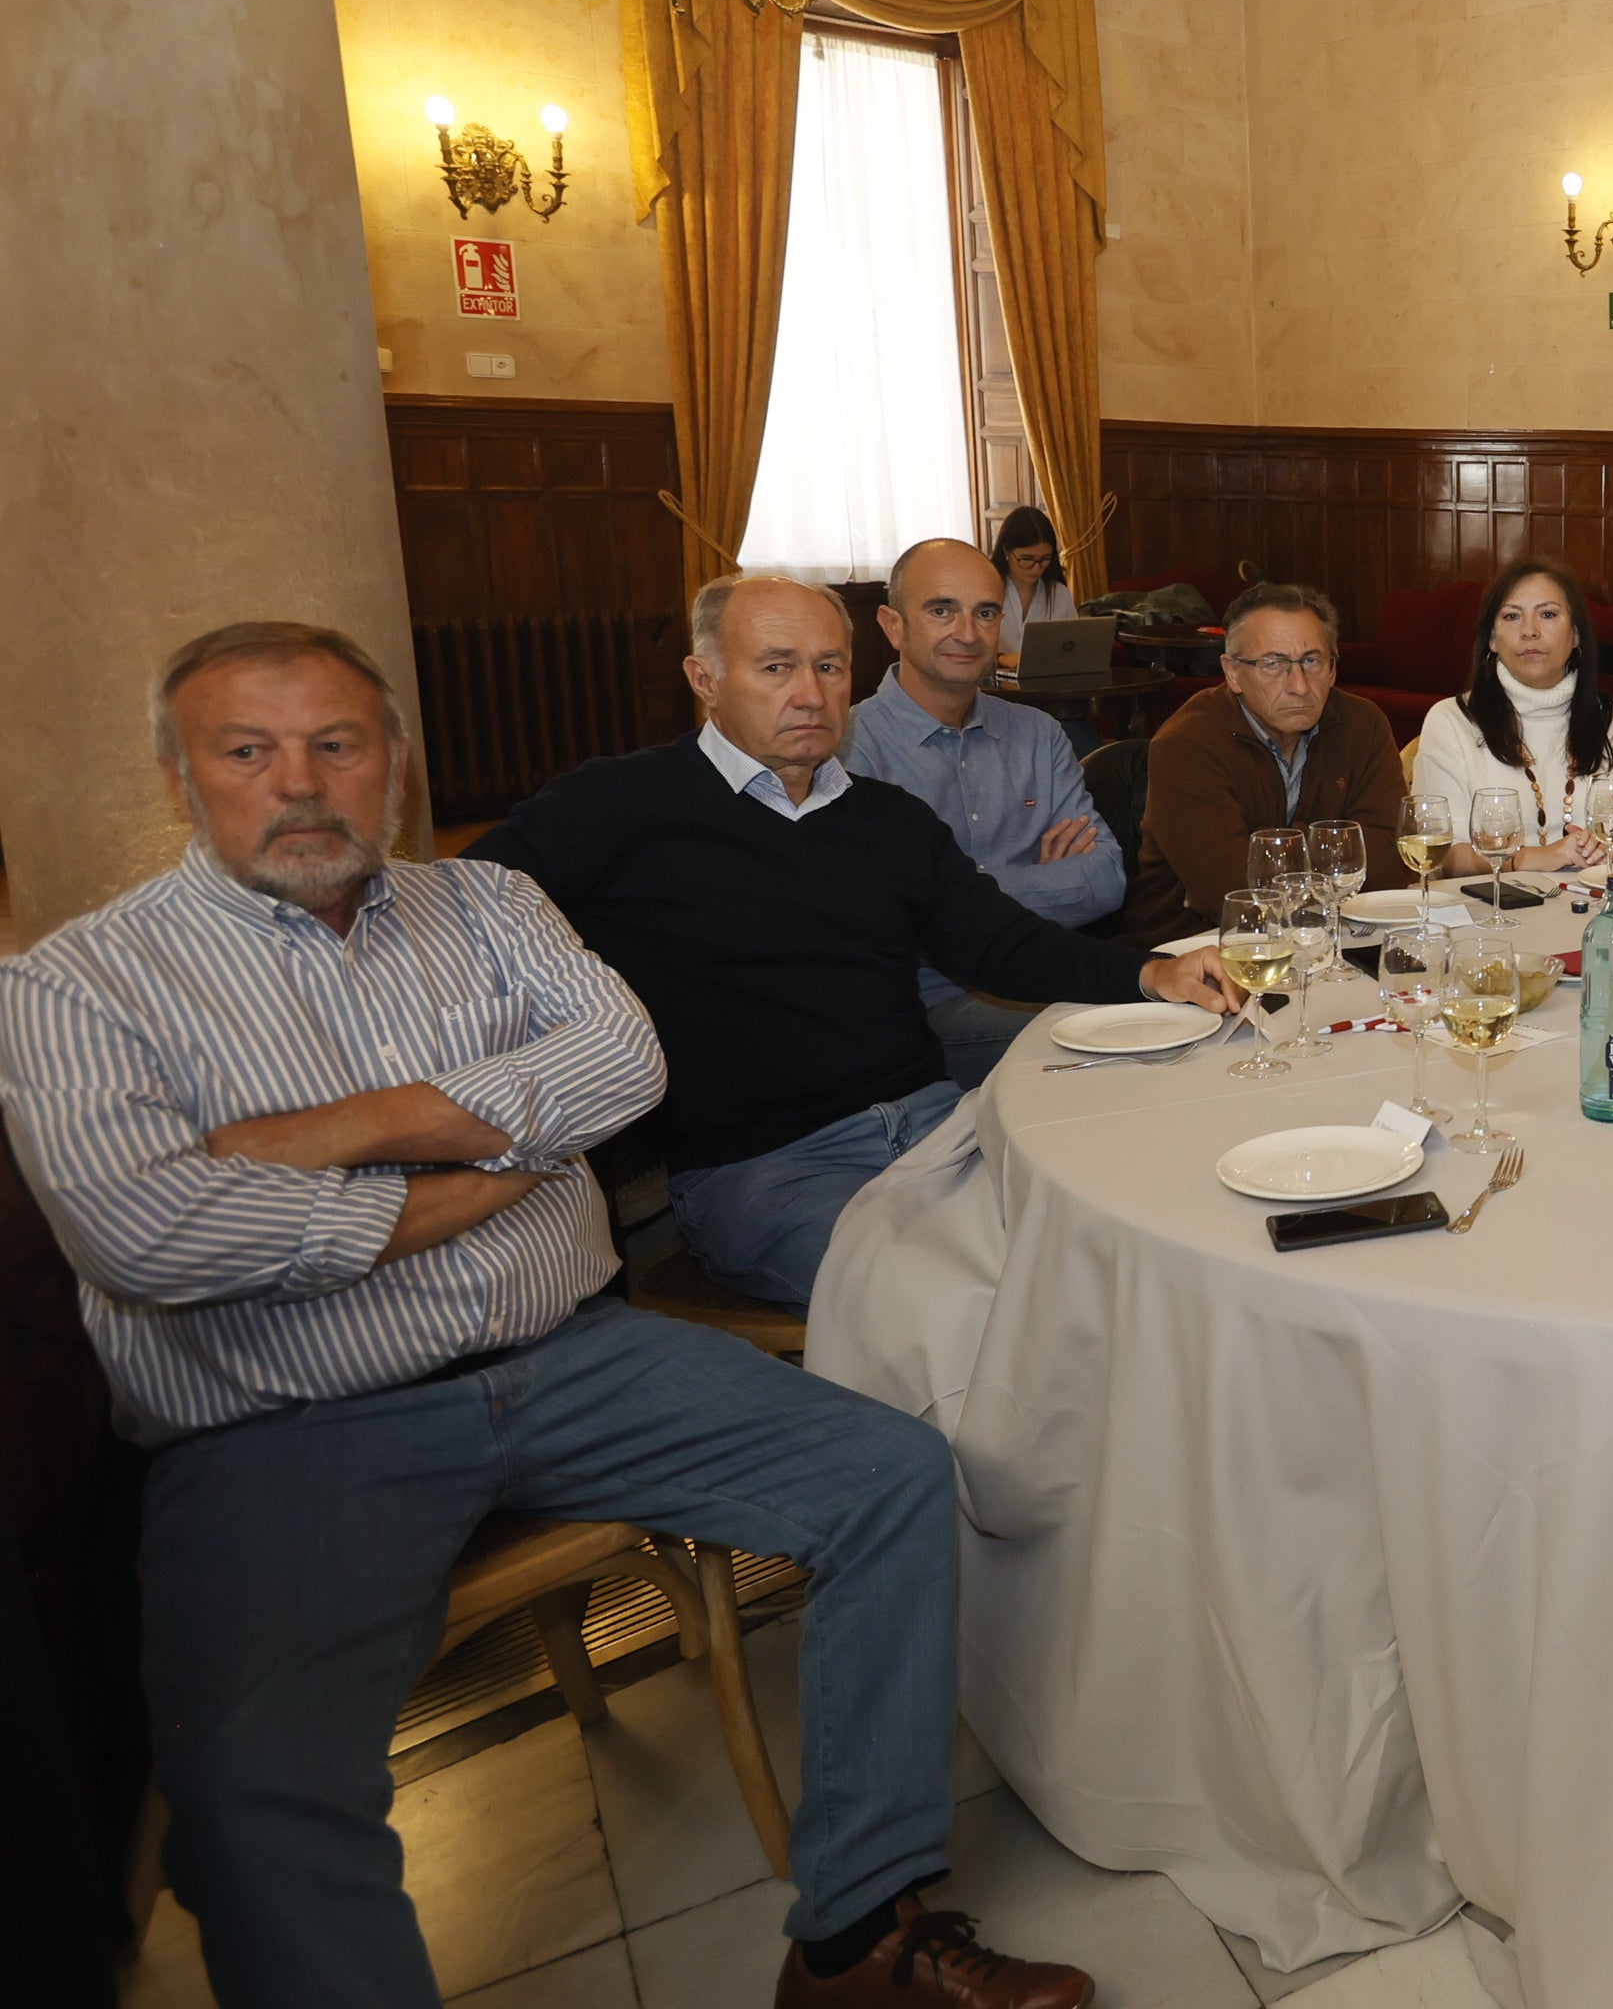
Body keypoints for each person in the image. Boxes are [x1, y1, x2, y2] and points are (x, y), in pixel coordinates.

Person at [0, 621, 1096, 2009]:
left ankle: (860, 1938)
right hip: (287, 1421)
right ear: (179, 776)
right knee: (253, 1789)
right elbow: (151, 1233)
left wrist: (345, 1134)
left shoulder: (490, 904)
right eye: (247, 751)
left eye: (337, 744)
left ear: (396, 764)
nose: (301, 783)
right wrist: (494, 1166)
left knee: (890, 1472)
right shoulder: (77, 985)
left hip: (574, 1356)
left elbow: (624, 1064)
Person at [471, 572, 1234, 1309]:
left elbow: (1003, 944)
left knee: (1123, 1243)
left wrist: (1152, 974)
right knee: (970, 1302)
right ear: (705, 680)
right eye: (777, 667)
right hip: (769, 1169)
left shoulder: (890, 819)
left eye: (830, 667)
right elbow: (459, 913)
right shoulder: (619, 805)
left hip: (941, 1129)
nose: (811, 694)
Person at [845, 539, 1127, 1091]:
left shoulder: (1038, 733)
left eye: (986, 613)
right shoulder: (850, 750)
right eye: (941, 610)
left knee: (1174, 1007)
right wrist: (1039, 882)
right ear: (893, 626)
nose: (967, 633)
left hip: (1050, 971)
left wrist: (953, 895)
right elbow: (888, 920)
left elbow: (1106, 880)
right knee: (1122, 1041)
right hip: (927, 1006)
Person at [1123, 582, 1411, 942]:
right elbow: (1228, 894)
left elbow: (1393, 861)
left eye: (1311, 661)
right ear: (1232, 672)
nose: (1299, 686)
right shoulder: (1186, 743)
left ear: (1333, 669)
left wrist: (1264, 854)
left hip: (1340, 938)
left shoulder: (1363, 724)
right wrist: (1340, 854)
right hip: (1198, 945)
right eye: (1273, 664)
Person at [1407, 559, 1613, 877]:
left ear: (1576, 634)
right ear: (1492, 638)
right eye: (1512, 616)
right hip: (1490, 903)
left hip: (1597, 898)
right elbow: (1445, 857)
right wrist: (1527, 859)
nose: (1529, 631)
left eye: (1548, 614)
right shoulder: (1451, 721)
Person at [989, 504, 1076, 660]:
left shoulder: (1059, 594)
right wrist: (1001, 659)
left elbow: (1074, 647)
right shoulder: (986, 590)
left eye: (1044, 559)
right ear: (1006, 550)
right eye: (1027, 559)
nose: (1036, 568)